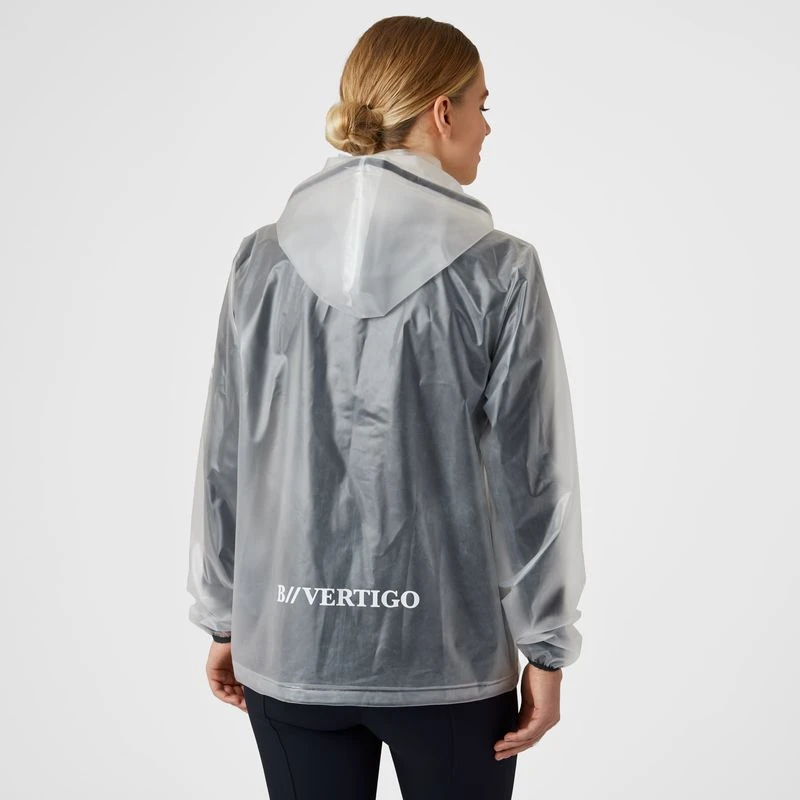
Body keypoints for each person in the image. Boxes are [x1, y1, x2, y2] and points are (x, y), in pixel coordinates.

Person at [186, 14, 587, 800]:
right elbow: (532, 476)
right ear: (442, 111)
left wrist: (225, 616)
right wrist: (546, 648)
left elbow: (227, 455)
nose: (486, 127)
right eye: (481, 105)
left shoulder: (261, 261)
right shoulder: (500, 270)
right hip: (447, 660)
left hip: (292, 646)